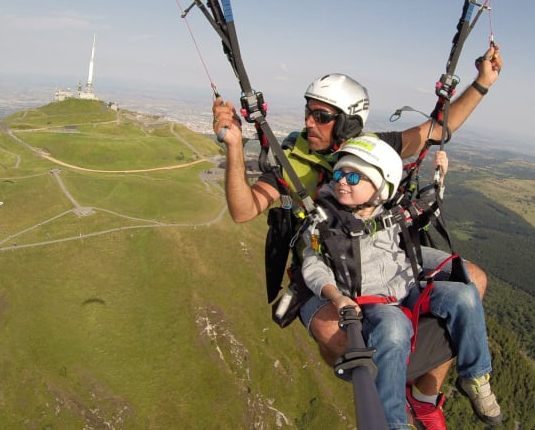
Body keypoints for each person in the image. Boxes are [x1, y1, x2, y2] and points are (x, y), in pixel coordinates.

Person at [213, 44, 503, 427]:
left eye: (322, 116)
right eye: (308, 112)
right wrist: (235, 147)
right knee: (340, 338)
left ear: (349, 123)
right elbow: (243, 209)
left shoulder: (372, 150)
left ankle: (425, 395)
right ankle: (392, 390)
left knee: (473, 283)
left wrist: (482, 83)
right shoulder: (293, 162)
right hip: (326, 267)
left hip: (385, 251)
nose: (309, 123)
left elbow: (437, 129)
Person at [301, 136, 502, 428]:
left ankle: (475, 375)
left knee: (465, 296)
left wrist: (440, 178)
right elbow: (313, 263)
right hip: (375, 300)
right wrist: (336, 296)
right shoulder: (325, 222)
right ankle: (393, 421)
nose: (343, 181)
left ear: (380, 189)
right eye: (340, 173)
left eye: (354, 176)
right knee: (395, 329)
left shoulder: (390, 212)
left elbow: (425, 207)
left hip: (407, 286)